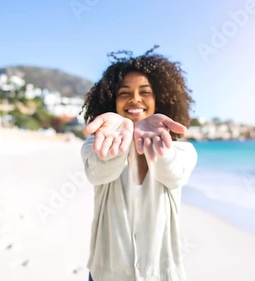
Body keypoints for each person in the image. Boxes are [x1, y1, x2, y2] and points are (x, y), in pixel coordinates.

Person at [81, 45, 198, 281]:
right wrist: (123, 138)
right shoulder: (96, 145)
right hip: (106, 274)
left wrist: (159, 148)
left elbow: (172, 173)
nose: (135, 98)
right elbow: (99, 173)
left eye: (145, 92)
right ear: (111, 101)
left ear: (160, 100)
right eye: (124, 92)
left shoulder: (183, 151)